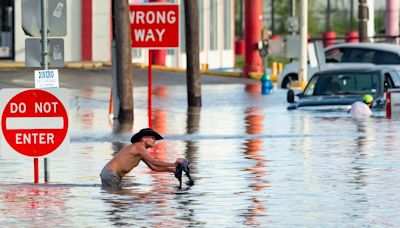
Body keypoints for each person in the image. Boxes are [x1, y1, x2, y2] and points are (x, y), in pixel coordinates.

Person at [100, 128, 184, 188]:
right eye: (152, 138)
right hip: (111, 174)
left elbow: (153, 167)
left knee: (119, 198)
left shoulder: (140, 151)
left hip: (111, 174)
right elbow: (154, 162)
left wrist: (173, 170)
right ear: (144, 138)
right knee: (116, 198)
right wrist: (174, 164)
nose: (154, 140)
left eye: (155, 139)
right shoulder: (139, 146)